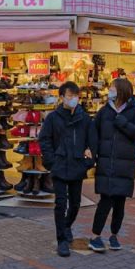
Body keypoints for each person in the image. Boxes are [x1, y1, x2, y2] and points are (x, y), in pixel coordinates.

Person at [38, 81, 95, 257]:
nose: (73, 99)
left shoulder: (84, 118)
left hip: (77, 165)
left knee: (76, 203)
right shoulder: (53, 118)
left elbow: (91, 141)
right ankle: (61, 239)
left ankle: (67, 225)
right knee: (60, 203)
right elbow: (45, 140)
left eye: (75, 96)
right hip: (60, 166)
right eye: (70, 96)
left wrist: (88, 161)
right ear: (61, 97)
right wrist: (52, 161)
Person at [89, 77, 135, 253]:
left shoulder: (134, 111)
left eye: (112, 88)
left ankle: (114, 235)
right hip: (106, 162)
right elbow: (93, 132)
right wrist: (91, 153)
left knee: (119, 202)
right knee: (105, 201)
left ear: (121, 90)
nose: (110, 90)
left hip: (125, 165)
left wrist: (123, 123)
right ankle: (95, 236)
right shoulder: (104, 111)